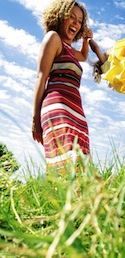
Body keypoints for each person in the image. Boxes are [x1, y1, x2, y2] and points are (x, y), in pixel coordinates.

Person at [32, 0, 93, 174]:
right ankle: (60, 198)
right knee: (67, 158)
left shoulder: (69, 49)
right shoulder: (53, 38)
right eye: (71, 17)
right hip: (58, 106)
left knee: (82, 161)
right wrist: (35, 118)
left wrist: (86, 41)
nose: (76, 22)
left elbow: (82, 55)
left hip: (77, 111)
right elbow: (41, 77)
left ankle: (76, 201)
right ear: (60, 16)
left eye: (80, 21)